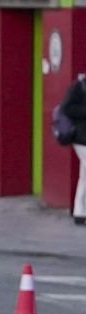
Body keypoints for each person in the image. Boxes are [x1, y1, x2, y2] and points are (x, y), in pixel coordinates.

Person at [62, 72, 86, 224]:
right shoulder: (79, 86)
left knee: (84, 175)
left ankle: (80, 211)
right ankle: (79, 211)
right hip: (81, 137)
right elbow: (66, 108)